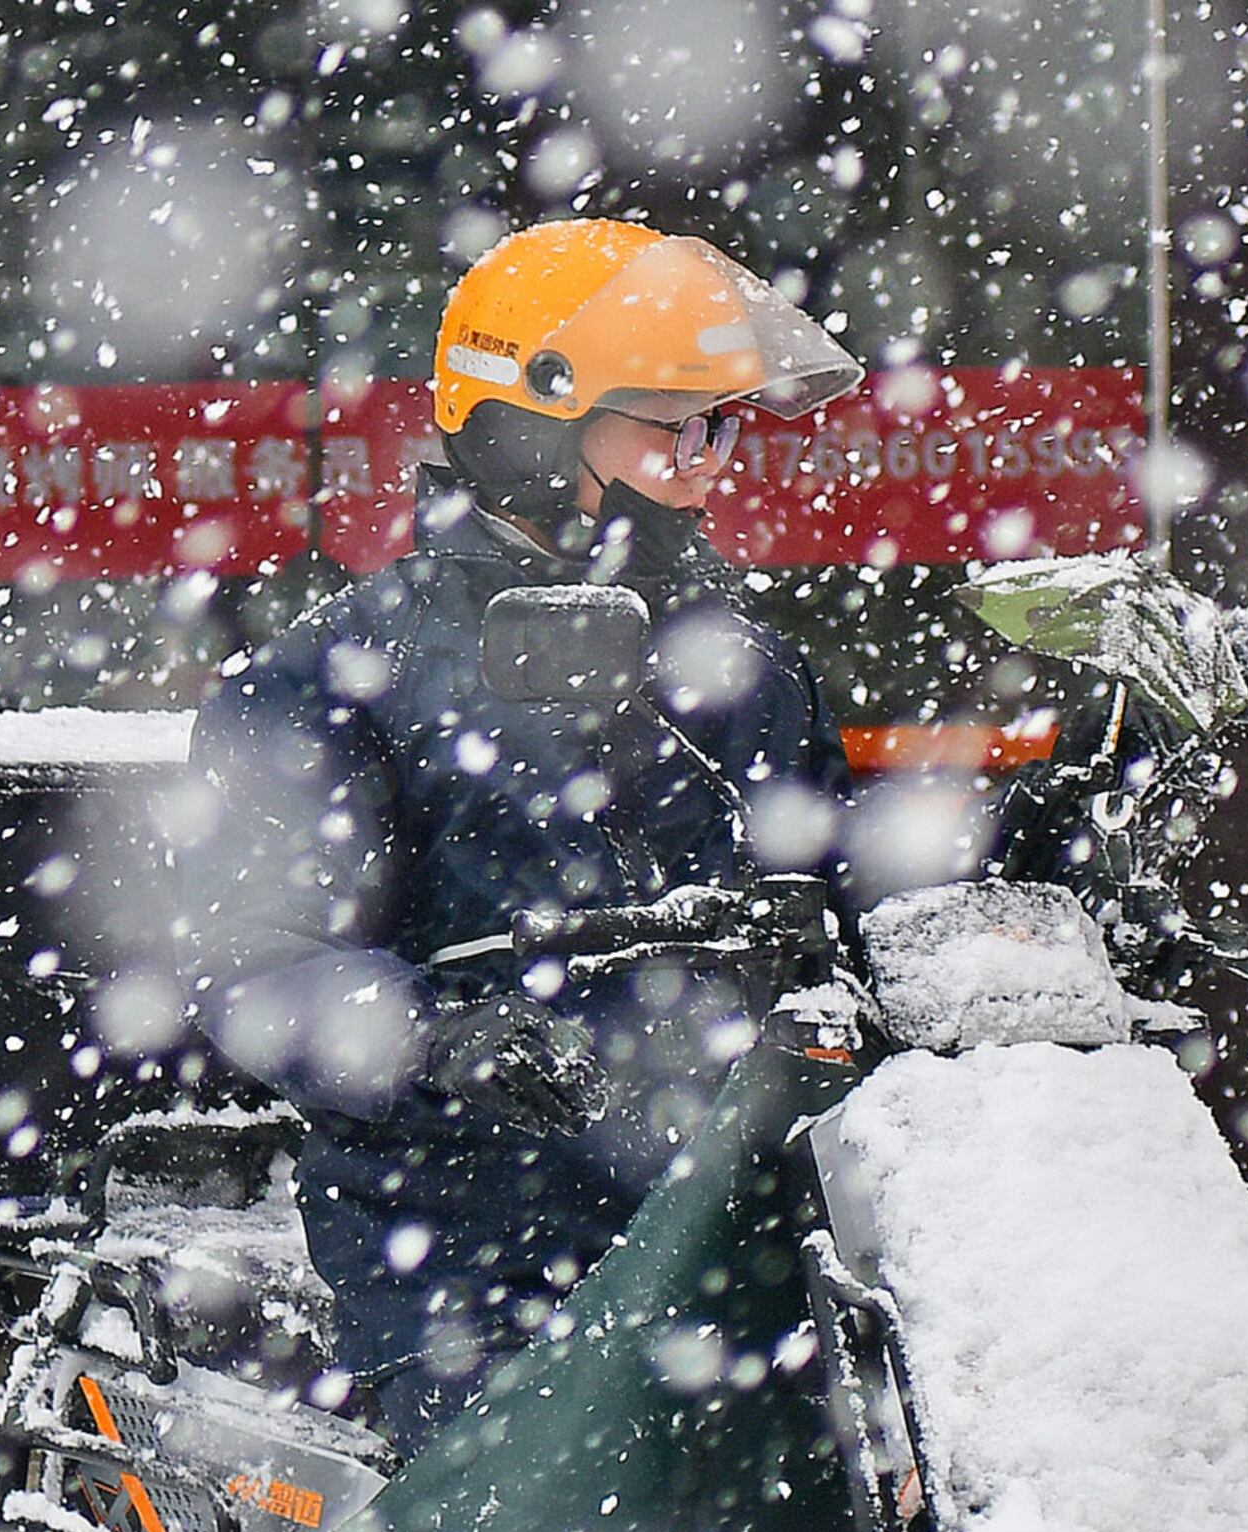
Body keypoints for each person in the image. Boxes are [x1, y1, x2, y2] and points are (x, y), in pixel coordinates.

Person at [183, 217, 865, 1441]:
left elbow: (846, 897)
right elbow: (248, 962)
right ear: (535, 425)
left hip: (737, 1240)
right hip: (471, 1263)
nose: (712, 464)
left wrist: (1047, 850)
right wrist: (439, 1037)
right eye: (678, 426)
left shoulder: (746, 668)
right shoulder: (337, 679)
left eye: (727, 428)